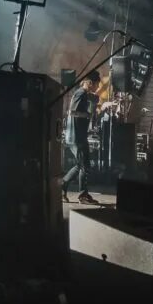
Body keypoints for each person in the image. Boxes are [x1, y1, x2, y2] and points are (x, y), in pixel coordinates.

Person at [62, 70, 101, 204]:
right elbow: (72, 112)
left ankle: (62, 187)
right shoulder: (80, 93)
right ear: (90, 83)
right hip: (76, 136)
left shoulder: (84, 94)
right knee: (85, 165)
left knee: (81, 165)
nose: (98, 87)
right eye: (96, 84)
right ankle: (83, 196)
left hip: (78, 136)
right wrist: (88, 115)